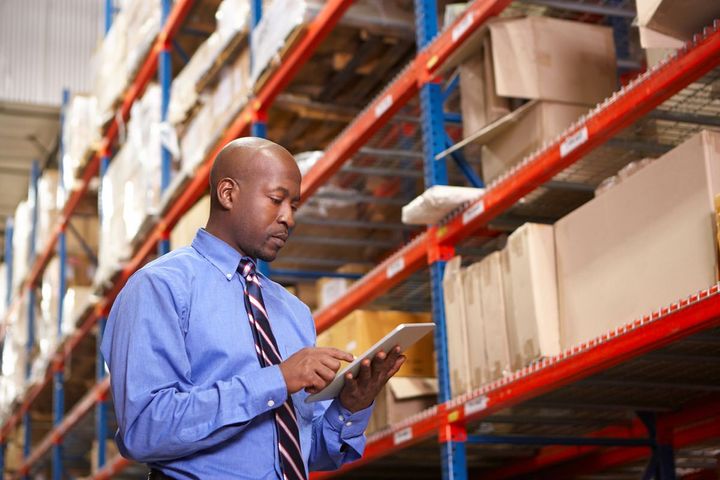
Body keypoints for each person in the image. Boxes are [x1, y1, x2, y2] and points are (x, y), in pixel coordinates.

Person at [101, 137, 406, 479]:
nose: (288, 218)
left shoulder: (293, 312)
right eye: (277, 200)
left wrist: (352, 405)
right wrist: (278, 379)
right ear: (228, 193)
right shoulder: (161, 287)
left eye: (294, 205)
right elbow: (144, 429)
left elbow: (304, 452)